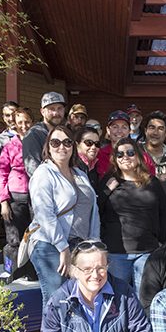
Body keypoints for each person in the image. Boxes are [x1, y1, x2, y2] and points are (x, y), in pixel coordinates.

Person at [29, 125, 99, 307]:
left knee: (79, 298)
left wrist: (93, 244)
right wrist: (63, 248)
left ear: (73, 146)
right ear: (48, 146)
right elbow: (44, 214)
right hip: (50, 245)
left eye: (67, 142)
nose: (62, 147)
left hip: (79, 245)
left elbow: (93, 210)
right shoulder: (43, 174)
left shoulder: (80, 174)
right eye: (55, 142)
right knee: (56, 300)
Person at [99, 138, 166, 292]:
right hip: (117, 252)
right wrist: (106, 191)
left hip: (146, 251)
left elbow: (164, 213)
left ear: (138, 156)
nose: (125, 157)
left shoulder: (152, 182)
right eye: (120, 154)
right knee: (118, 298)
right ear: (115, 159)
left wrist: (161, 241)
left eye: (130, 153)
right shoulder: (109, 181)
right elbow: (97, 210)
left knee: (144, 298)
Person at [0, 108, 33, 264]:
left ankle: (32, 273)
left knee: (34, 237)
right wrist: (4, 202)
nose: (24, 125)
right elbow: (1, 174)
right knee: (14, 238)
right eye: (20, 122)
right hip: (15, 196)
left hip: (36, 195)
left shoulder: (40, 143)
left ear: (33, 122)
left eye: (27, 122)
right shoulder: (10, 146)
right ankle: (11, 271)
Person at [96, 110, 155, 177]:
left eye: (124, 127)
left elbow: (151, 182)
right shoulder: (99, 155)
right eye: (115, 127)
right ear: (108, 130)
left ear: (129, 131)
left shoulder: (142, 156)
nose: (119, 131)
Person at [22, 92, 66, 177]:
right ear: (42, 112)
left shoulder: (65, 133)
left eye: (59, 108)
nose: (56, 113)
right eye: (51, 109)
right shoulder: (33, 135)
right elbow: (33, 168)